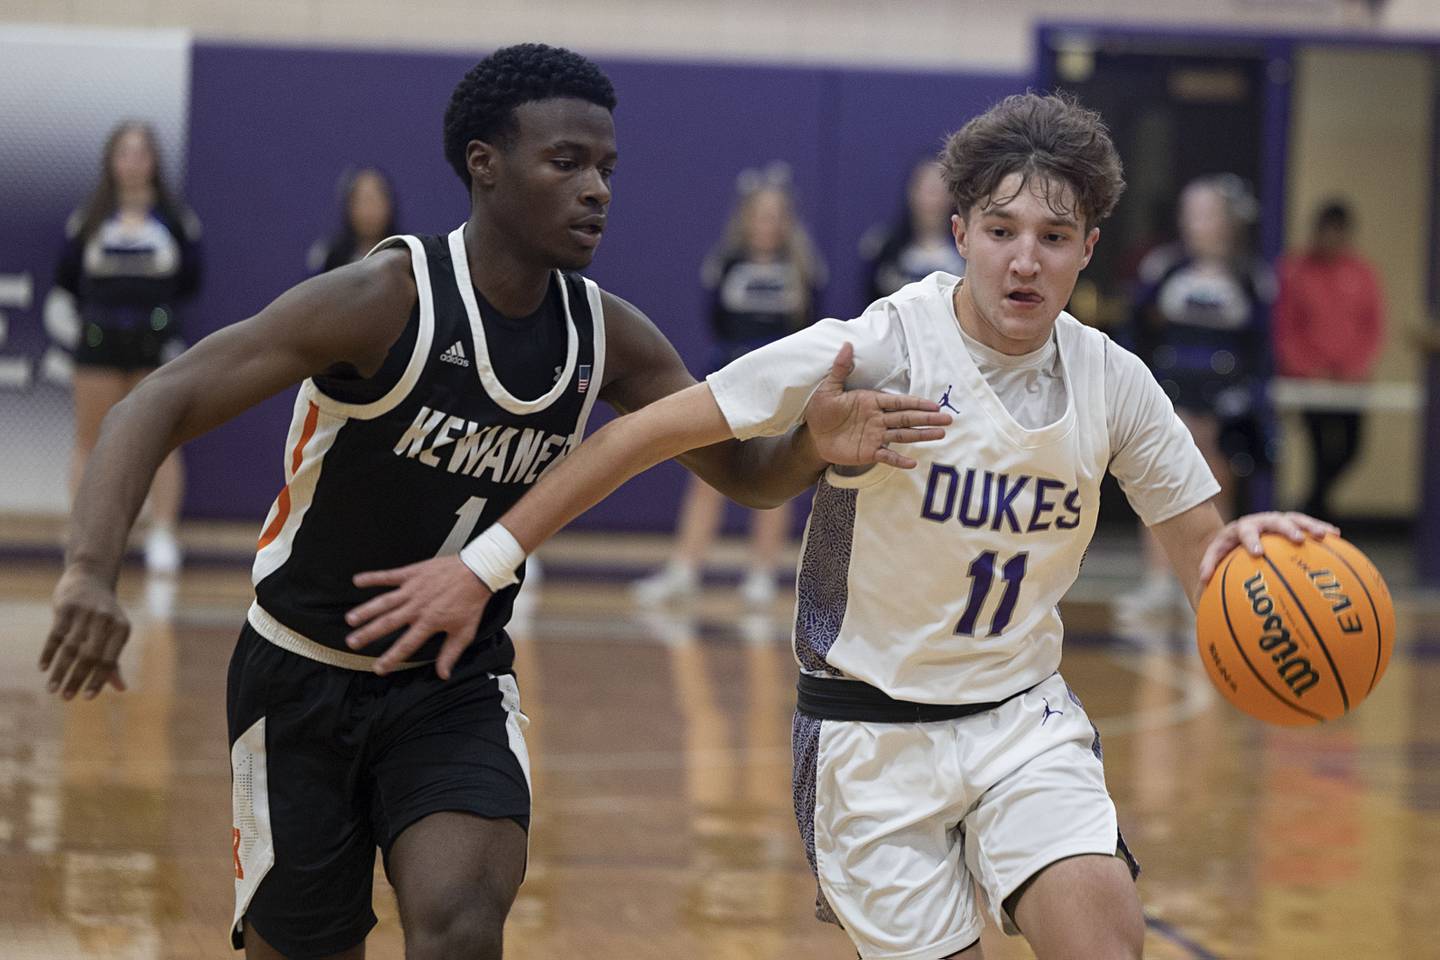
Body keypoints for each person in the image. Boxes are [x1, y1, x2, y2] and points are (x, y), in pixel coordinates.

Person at [345, 92, 1334, 960]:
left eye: (1053, 235)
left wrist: (1253, 564)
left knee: (1103, 939)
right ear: (960, 233)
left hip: (1021, 725)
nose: (1025, 259)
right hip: (871, 737)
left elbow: (1207, 560)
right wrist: (483, 563)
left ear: (1089, 248)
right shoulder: (880, 348)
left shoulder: (1115, 381)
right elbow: (642, 432)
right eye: (1001, 230)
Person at [40, 44, 944, 960]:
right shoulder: (383, 299)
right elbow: (155, 401)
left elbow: (746, 474)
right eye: (567, 163)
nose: (596, 189)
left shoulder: (607, 335)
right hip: (302, 671)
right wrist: (87, 570)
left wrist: (811, 447)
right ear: (485, 164)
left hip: (454, 682)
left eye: (607, 168)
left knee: (463, 921)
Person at [632, 166, 826, 605]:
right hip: (730, 380)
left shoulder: (803, 268)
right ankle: (685, 569)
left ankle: (762, 573)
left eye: (775, 216)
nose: (767, 225)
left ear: (787, 221)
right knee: (707, 474)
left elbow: (811, 326)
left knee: (774, 476)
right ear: (745, 218)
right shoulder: (726, 262)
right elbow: (716, 320)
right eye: (760, 215)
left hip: (782, 386)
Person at [1120, 174, 1275, 616]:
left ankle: (1210, 581)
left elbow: (1261, 349)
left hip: (1225, 402)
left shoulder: (1251, 277)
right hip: (1171, 394)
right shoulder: (1165, 267)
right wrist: (1141, 386)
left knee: (1214, 484)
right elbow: (1136, 331)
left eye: (1207, 214)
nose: (1197, 224)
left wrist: (1246, 401)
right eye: (1190, 214)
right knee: (1159, 482)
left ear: (1229, 220)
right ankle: (1157, 580)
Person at [54, 120, 202, 575]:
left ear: (154, 162)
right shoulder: (89, 219)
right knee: (91, 439)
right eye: (125, 152)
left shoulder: (175, 219)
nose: (133, 162)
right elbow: (67, 277)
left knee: (160, 439)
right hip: (98, 342)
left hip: (153, 342)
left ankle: (162, 532)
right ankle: (85, 537)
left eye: (142, 153)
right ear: (111, 161)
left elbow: (191, 278)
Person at [1272, 200, 1385, 522]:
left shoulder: (1361, 274)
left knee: (1351, 449)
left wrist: (1354, 367)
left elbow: (1372, 327)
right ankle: (1317, 513)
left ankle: (1311, 505)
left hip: (1351, 382)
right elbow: (1285, 327)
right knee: (1320, 450)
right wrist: (1308, 369)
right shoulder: (1295, 271)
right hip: (1311, 383)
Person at [860, 156, 966, 303]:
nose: (930, 200)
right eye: (924, 189)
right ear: (911, 192)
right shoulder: (884, 248)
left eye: (937, 190)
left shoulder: (966, 250)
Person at [308, 166, 401, 274]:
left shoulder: (405, 252)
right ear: (348, 207)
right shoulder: (331, 256)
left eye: (374, 200)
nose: (369, 210)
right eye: (362, 201)